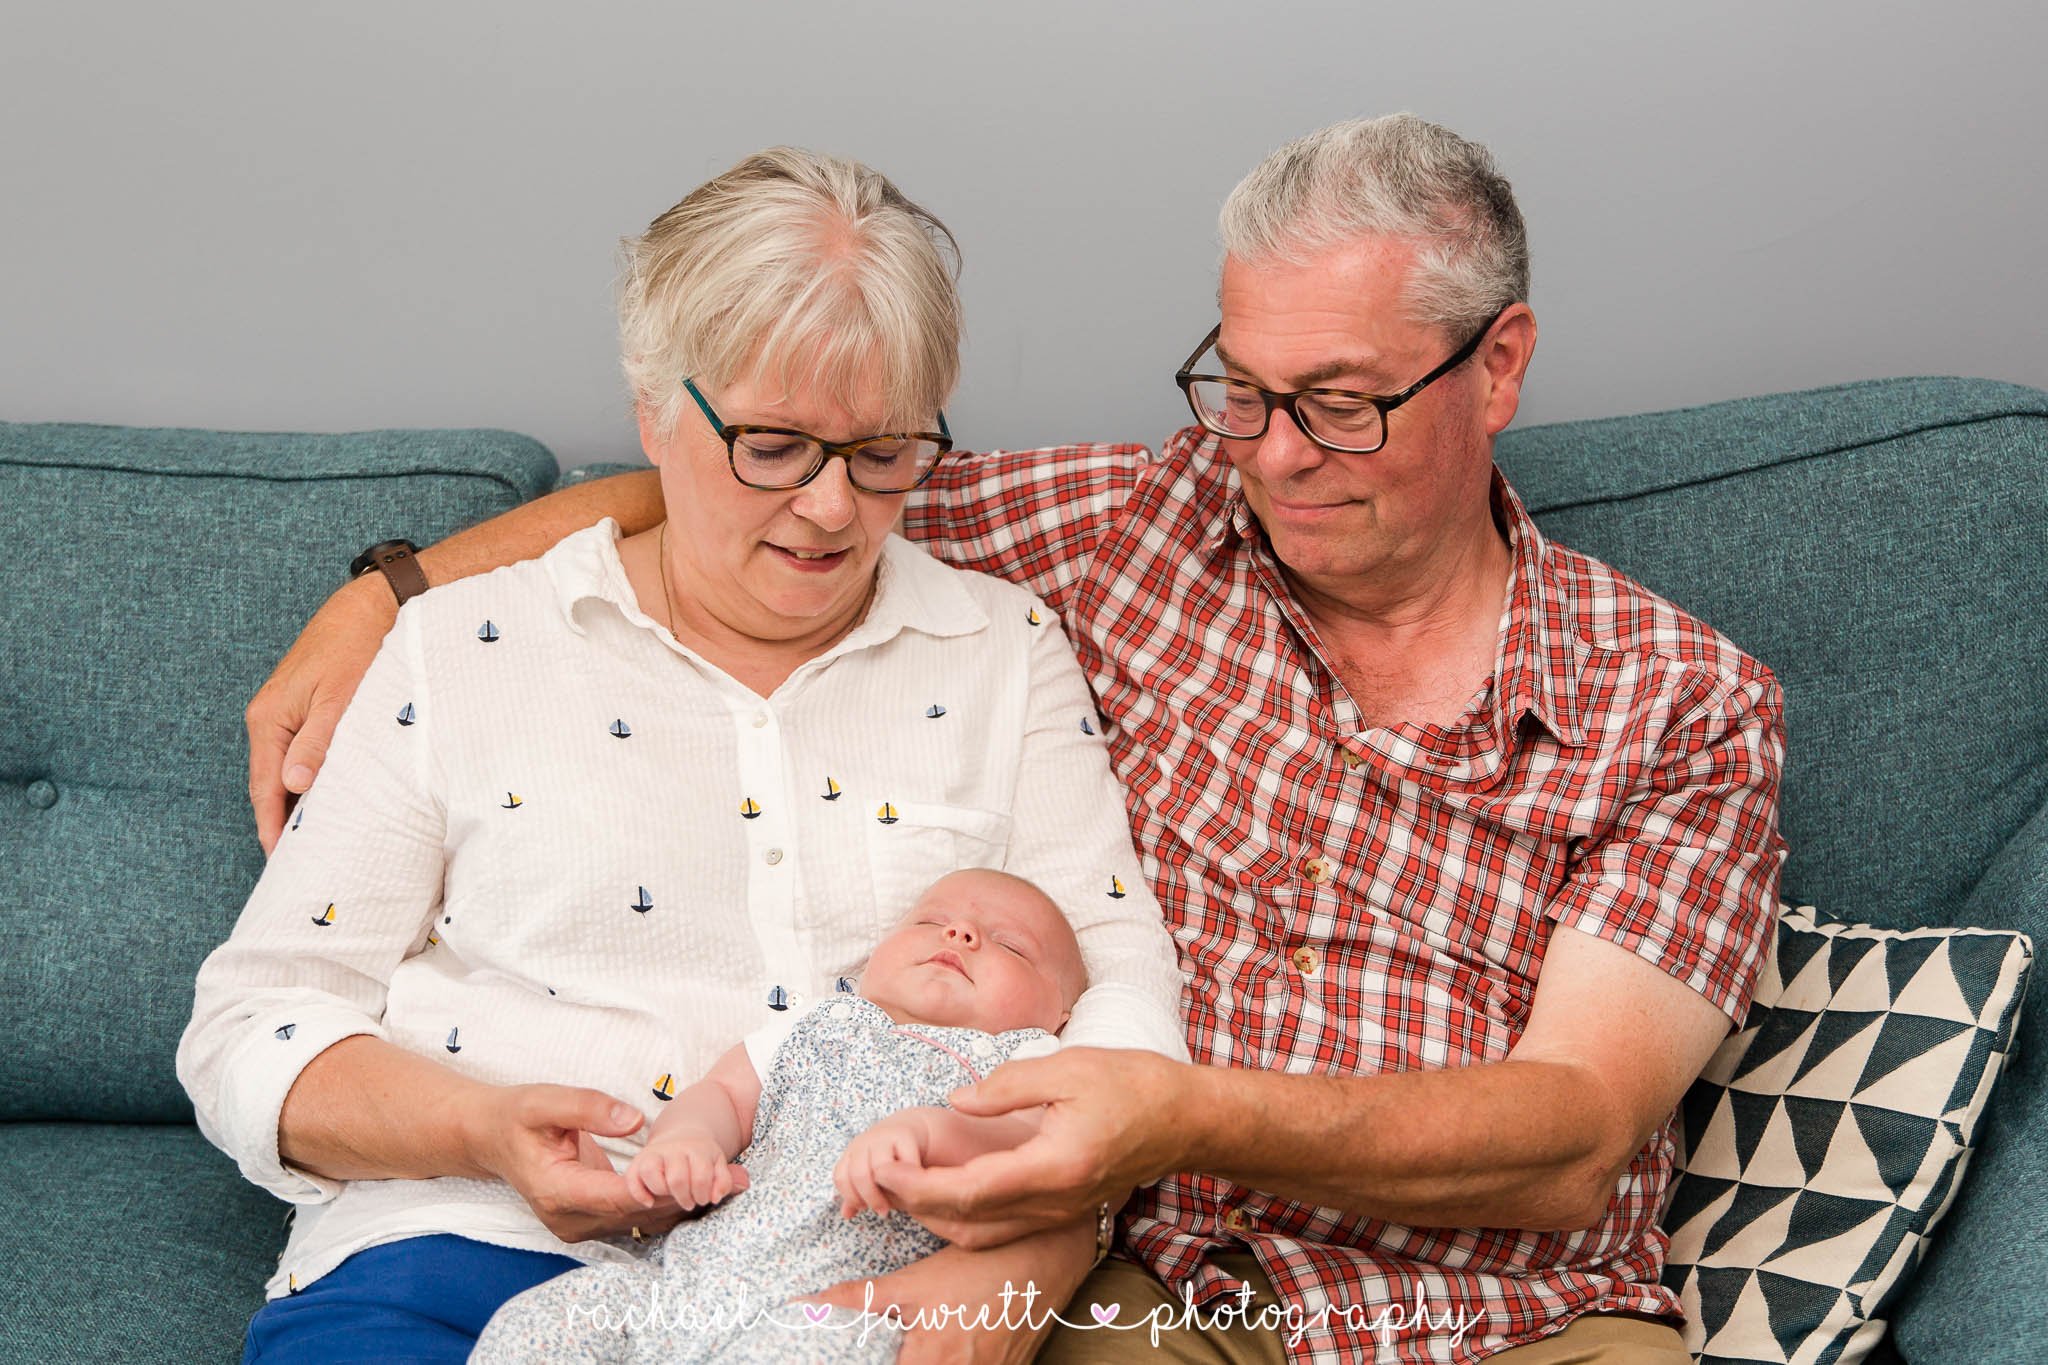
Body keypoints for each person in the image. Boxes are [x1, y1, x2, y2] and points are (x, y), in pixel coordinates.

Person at [248, 115, 1784, 1364]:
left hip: (1502, 1318)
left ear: (1497, 365)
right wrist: (392, 588)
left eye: (1341, 403)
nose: (1276, 455)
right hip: (1157, 1300)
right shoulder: (1145, 522)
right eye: (1242, 391)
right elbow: (767, 471)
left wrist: (1145, 1135)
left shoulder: (1682, 702)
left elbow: (1575, 1130)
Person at [180, 147, 1187, 1365]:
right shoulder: (460, 648)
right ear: (654, 410)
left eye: (881, 454)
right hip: (467, 1245)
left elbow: (1116, 965)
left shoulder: (998, 648)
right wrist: (482, 1127)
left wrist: (1044, 1241)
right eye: (771, 445)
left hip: (855, 1271)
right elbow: (258, 1019)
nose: (830, 509)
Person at [470, 867, 1087, 1363]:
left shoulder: (1028, 1058)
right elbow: (726, 1094)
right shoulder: (823, 1021)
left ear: (1061, 1010)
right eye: (931, 920)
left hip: (830, 1311)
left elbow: (1034, 1144)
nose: (960, 935)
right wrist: (686, 1140)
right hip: (683, 1283)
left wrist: (935, 1131)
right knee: (543, 1325)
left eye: (1010, 945)